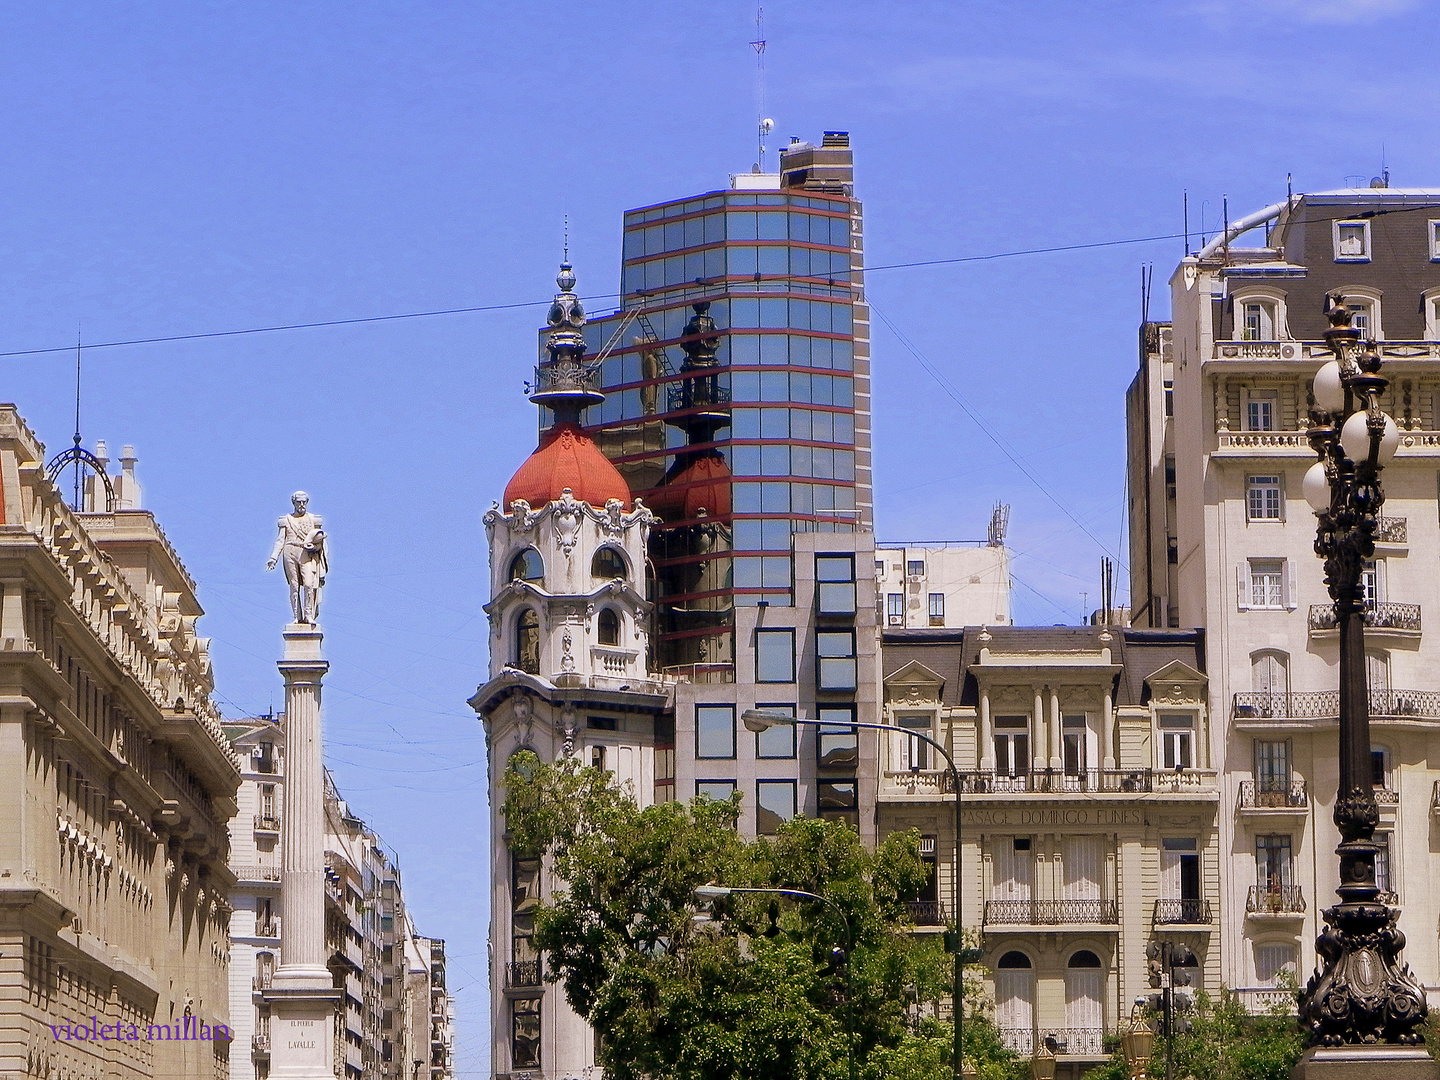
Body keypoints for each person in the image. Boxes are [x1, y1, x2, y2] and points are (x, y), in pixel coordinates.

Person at [266, 491, 328, 624]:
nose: (301, 504)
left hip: (306, 552)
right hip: (290, 551)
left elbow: (321, 540)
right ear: (293, 502)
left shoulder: (313, 519)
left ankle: (308, 615)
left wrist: (316, 547)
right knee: (294, 585)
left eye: (304, 502)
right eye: (299, 502)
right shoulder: (286, 519)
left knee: (308, 584)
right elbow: (280, 540)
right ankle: (296, 616)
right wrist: (273, 558)